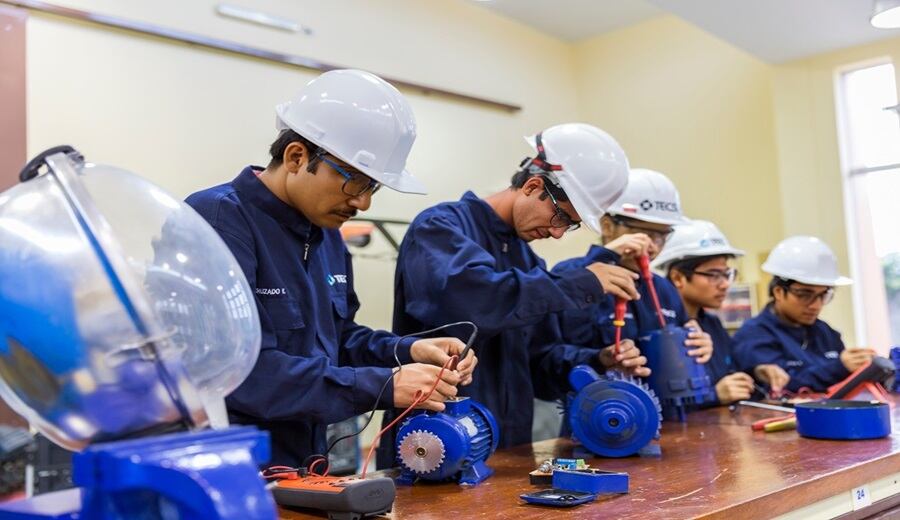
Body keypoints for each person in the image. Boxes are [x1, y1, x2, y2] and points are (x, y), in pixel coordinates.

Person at [185, 69, 476, 467]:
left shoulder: (326, 235)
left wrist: (407, 351)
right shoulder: (216, 219)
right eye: (354, 181)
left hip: (306, 463)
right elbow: (237, 373)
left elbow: (340, 340)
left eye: (372, 187)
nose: (363, 203)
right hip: (231, 467)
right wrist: (385, 385)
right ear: (296, 157)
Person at [377, 123, 649, 467]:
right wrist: (579, 282)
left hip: (509, 452)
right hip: (432, 446)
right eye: (561, 216)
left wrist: (598, 360)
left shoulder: (528, 261)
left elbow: (539, 362)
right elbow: (477, 305)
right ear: (533, 186)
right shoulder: (440, 228)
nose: (557, 233)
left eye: (570, 224)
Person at [554, 169, 713, 364]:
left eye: (662, 236)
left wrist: (698, 346)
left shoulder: (664, 290)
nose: (653, 245)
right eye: (645, 233)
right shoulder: (572, 276)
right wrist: (601, 360)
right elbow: (548, 357)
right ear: (607, 226)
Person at [653, 219, 790, 405]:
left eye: (727, 274)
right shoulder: (658, 329)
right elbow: (658, 400)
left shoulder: (712, 324)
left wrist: (757, 372)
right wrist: (714, 395)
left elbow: (729, 372)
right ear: (678, 277)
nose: (725, 284)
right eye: (714, 275)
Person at [733, 236, 873, 393]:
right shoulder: (753, 335)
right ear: (778, 292)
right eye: (805, 294)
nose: (816, 305)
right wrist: (840, 367)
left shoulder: (825, 332)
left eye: (823, 295)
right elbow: (782, 385)